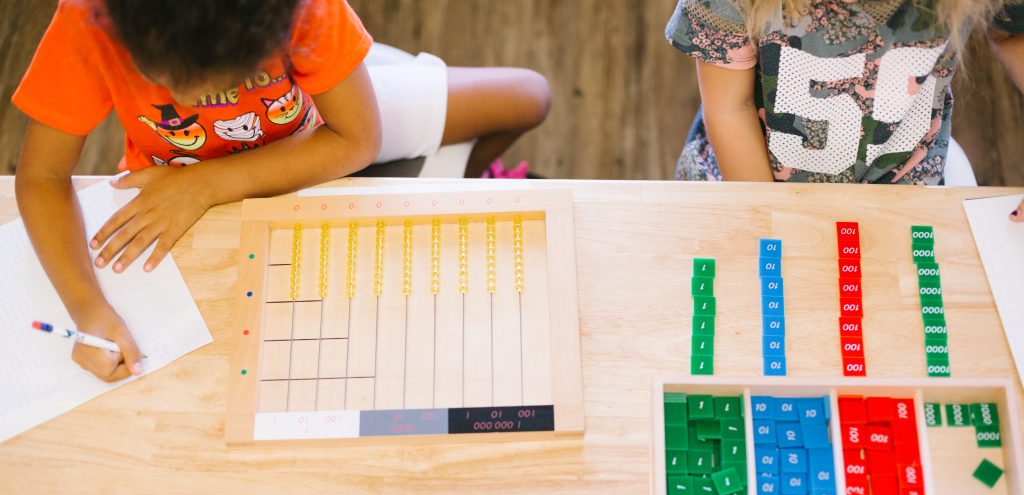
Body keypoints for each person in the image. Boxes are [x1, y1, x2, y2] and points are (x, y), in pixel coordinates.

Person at [13, 0, 550, 382]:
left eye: (222, 81)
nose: (183, 96)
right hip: (180, 201)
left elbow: (357, 140)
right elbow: (40, 178)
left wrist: (204, 183)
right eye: (159, 76)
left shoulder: (308, 10)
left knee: (529, 96)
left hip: (320, 137)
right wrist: (88, 309)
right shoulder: (87, 17)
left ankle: (467, 179)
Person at [665, 0, 1024, 220]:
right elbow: (730, 108)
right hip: (751, 182)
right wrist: (774, 221)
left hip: (904, 192)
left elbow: (1012, 34)